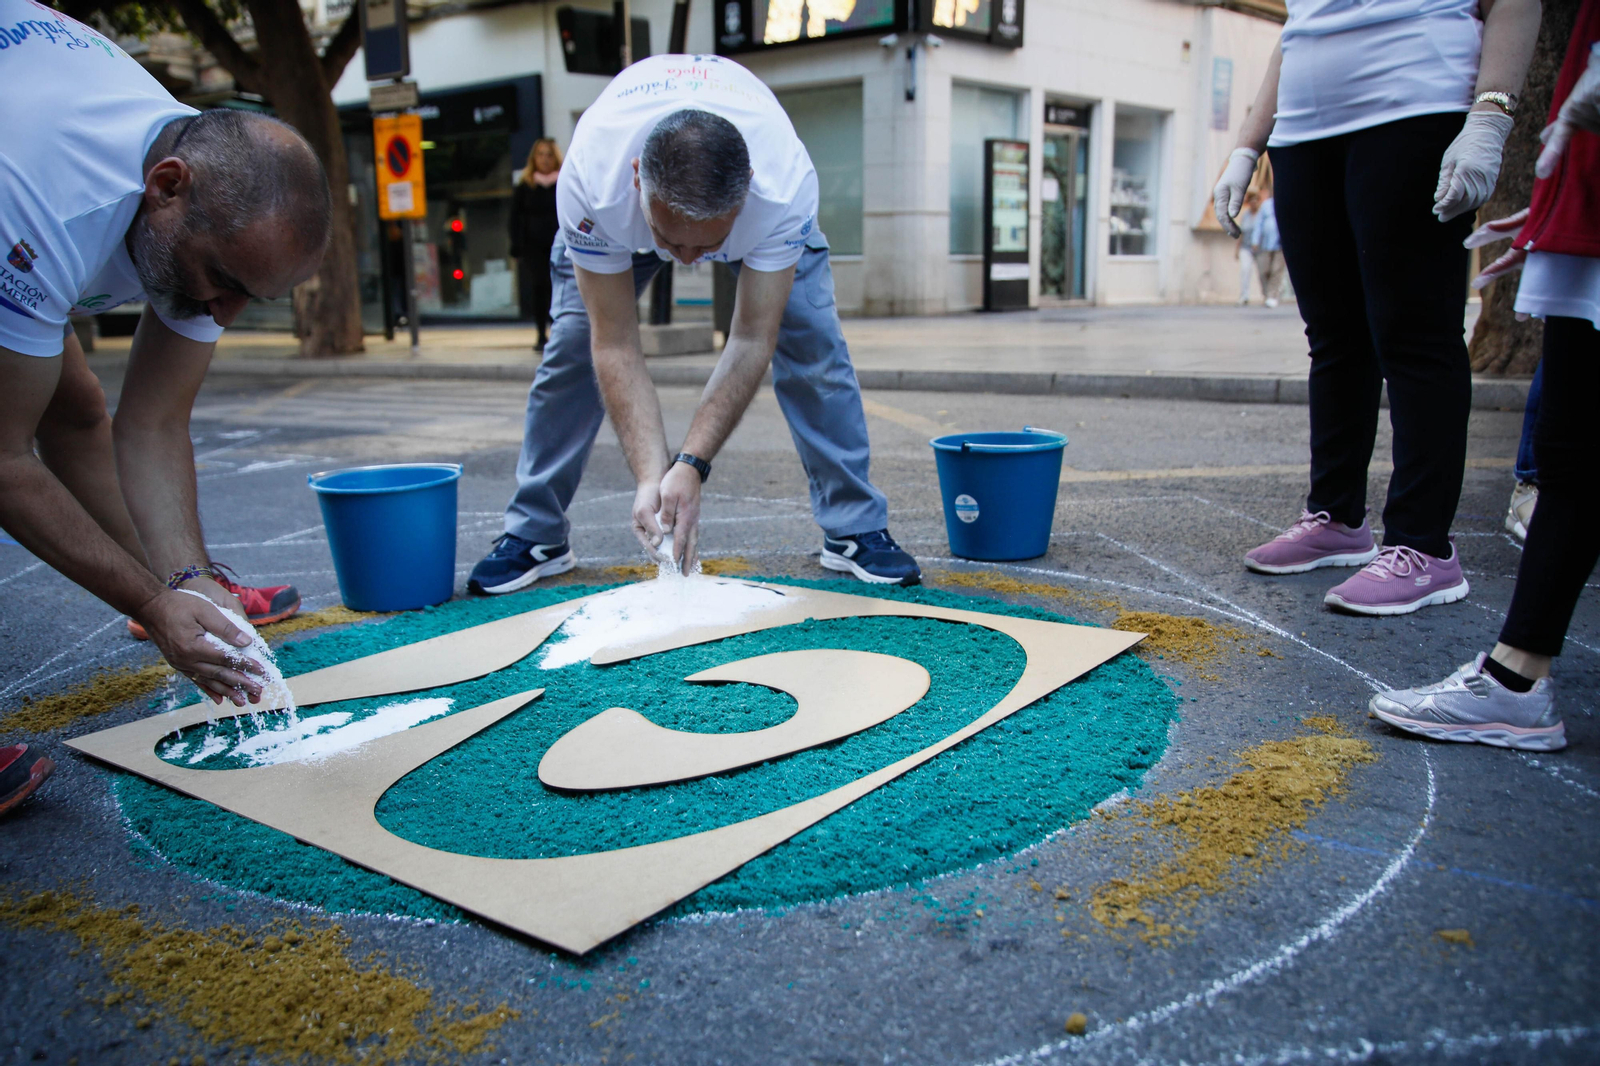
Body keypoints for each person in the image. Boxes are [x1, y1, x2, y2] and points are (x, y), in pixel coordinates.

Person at [469, 54, 919, 591]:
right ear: (638, 177)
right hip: (615, 224)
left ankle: (854, 527)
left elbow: (753, 338)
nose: (685, 260)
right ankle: (535, 533)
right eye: (668, 240)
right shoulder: (592, 179)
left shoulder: (783, 189)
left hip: (751, 223)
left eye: (707, 245)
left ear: (747, 189)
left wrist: (691, 465)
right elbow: (614, 345)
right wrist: (648, 477)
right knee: (571, 347)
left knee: (814, 345)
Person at [0, 0, 331, 706]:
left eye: (251, 297)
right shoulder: (47, 211)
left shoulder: (211, 197)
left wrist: (187, 580)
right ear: (166, 187)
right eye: (225, 283)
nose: (224, 313)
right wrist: (157, 610)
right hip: (22, 190)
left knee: (77, 404)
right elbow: (4, 461)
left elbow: (152, 421)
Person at [1215, 0, 1541, 616]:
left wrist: (1491, 115)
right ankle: (1337, 518)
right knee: (1335, 337)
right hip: (1304, 132)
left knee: (1415, 334)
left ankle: (1425, 548)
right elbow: (1298, 27)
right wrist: (1247, 145)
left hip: (1413, 106)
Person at [1370, 7, 1600, 752]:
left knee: (1574, 441)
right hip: (1585, 192)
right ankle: (1517, 678)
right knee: (1572, 443)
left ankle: (1515, 681)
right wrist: (1558, 210)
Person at [511, 138, 563, 351]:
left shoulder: (563, 182)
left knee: (558, 289)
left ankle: (559, 332)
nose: (544, 159)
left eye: (549, 154)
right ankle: (541, 334)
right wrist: (516, 245)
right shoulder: (525, 186)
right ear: (534, 158)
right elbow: (514, 218)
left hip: (559, 245)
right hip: (533, 247)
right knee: (539, 288)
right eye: (540, 154)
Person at [1248, 194, 1285, 308]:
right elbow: (1259, 223)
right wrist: (1255, 240)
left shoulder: (1285, 202)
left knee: (1276, 270)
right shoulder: (1266, 205)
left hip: (1280, 244)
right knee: (1264, 270)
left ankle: (1272, 296)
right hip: (1265, 243)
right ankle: (1267, 294)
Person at [1236, 191, 1262, 305]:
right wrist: (1237, 249)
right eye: (1251, 201)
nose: (1253, 203)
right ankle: (1244, 296)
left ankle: (1268, 295)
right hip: (1245, 247)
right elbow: (1241, 233)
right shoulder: (1245, 216)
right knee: (1245, 270)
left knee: (1263, 272)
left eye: (1255, 200)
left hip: (1261, 248)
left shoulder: (1262, 215)